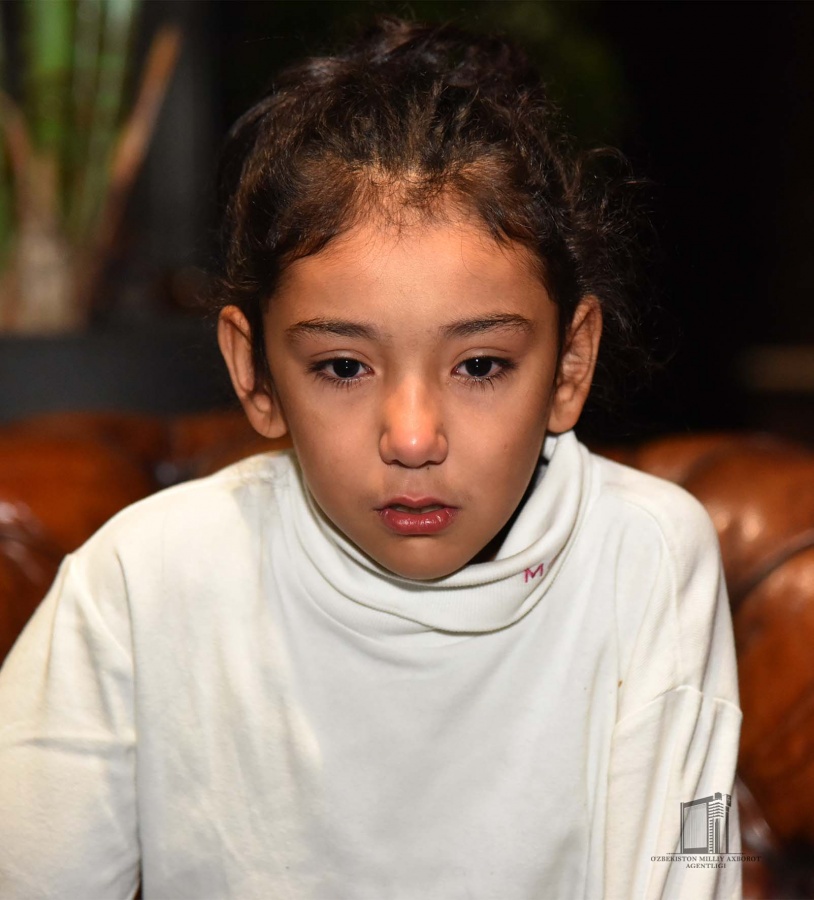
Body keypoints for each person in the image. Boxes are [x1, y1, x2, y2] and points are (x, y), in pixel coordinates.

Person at [0, 18, 741, 900]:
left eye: (480, 366)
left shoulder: (643, 557)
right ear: (255, 371)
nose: (414, 439)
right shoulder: (144, 580)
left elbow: (684, 869)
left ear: (570, 364)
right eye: (345, 368)